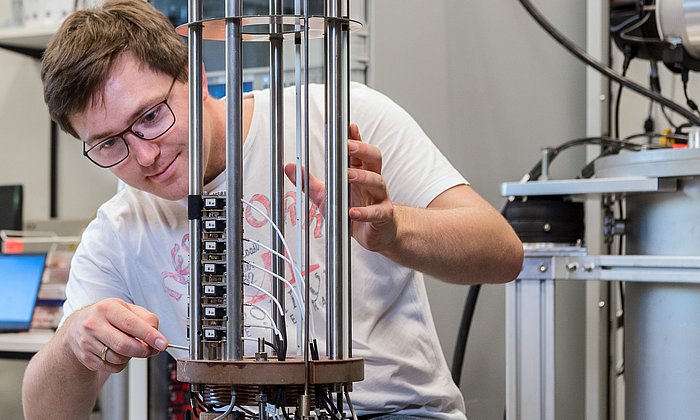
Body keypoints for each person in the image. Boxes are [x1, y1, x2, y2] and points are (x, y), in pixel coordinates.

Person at [22, 1, 523, 419]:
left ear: (194, 73)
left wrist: (396, 233)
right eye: (110, 144)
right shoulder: (120, 229)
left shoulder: (341, 120)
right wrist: (73, 344)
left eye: (151, 116)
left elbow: (502, 253)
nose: (145, 155)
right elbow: (44, 412)